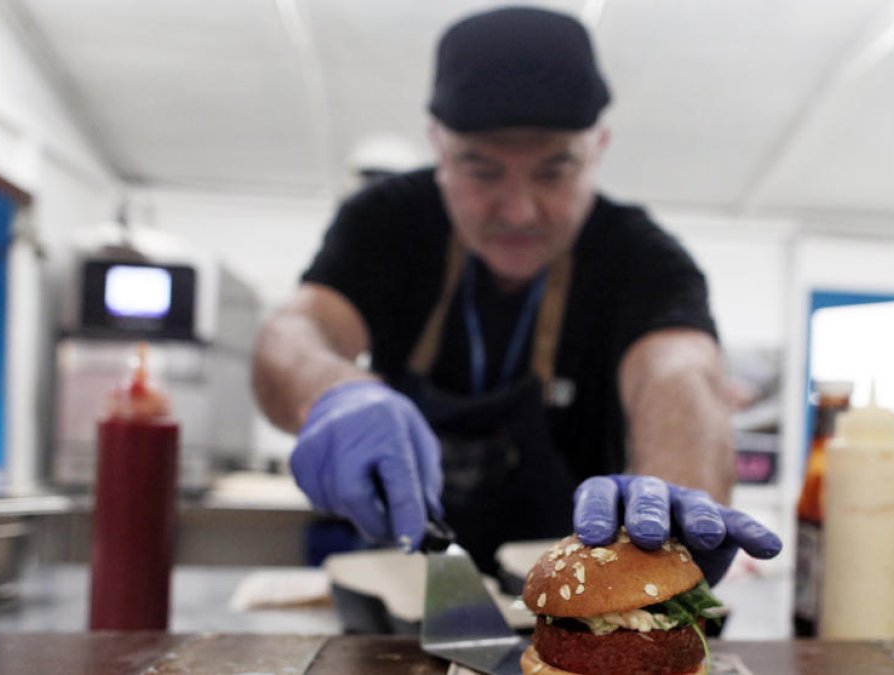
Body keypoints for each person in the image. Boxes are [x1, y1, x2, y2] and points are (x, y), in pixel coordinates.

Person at [252, 5, 781, 585]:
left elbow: (681, 376)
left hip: (583, 589)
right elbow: (296, 332)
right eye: (482, 171)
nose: (519, 210)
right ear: (439, 149)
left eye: (553, 173)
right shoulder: (385, 224)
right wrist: (334, 392)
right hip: (399, 584)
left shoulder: (642, 258)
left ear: (598, 148)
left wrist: (678, 505)